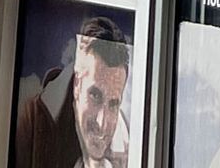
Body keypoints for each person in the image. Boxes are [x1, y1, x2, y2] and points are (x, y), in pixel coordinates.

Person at [16, 15, 133, 168]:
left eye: (113, 104)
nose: (102, 123)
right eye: (95, 96)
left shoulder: (127, 150)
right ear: (77, 84)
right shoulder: (30, 122)